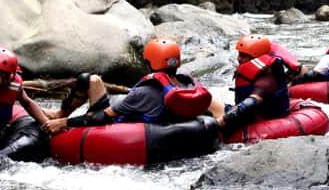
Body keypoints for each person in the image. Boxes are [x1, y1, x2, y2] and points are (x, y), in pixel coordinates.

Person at [42, 38, 212, 134]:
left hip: (116, 132)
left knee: (87, 79)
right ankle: (58, 113)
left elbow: (102, 118)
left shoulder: (143, 92)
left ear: (148, 62)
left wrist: (64, 122)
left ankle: (59, 117)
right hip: (168, 130)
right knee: (94, 80)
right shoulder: (186, 83)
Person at [211, 34, 291, 130]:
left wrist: (219, 123)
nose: (239, 59)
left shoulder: (267, 80)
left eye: (244, 56)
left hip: (258, 119)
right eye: (239, 54)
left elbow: (250, 103)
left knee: (208, 105)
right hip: (251, 113)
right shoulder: (258, 70)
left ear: (257, 57)